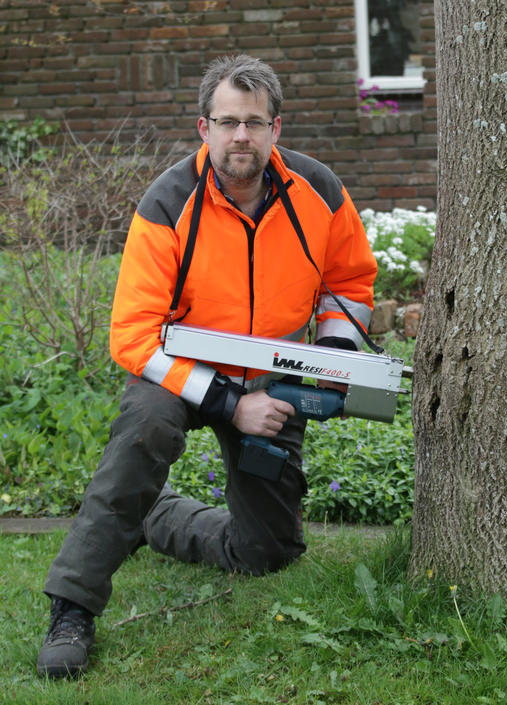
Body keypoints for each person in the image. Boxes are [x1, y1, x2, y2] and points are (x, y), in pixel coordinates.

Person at [36, 54, 377, 678]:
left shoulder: (319, 191)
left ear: (278, 129)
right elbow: (133, 333)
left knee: (267, 552)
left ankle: (157, 515)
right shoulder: (167, 203)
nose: (240, 136)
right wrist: (226, 402)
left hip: (272, 382)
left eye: (254, 122)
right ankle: (72, 607)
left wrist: (331, 355)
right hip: (181, 375)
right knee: (146, 427)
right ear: (205, 129)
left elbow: (348, 283)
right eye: (227, 122)